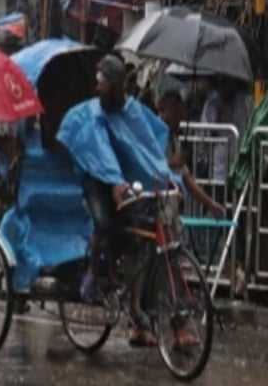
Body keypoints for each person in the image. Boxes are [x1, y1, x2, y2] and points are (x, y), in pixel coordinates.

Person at [57, 54, 186, 347]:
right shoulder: (92, 114)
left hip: (128, 183)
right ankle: (91, 272)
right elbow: (99, 151)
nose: (99, 88)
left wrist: (168, 179)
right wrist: (114, 180)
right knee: (105, 224)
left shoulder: (133, 112)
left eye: (104, 84)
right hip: (98, 180)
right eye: (98, 83)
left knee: (142, 243)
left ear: (117, 86)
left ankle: (139, 313)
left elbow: (149, 150)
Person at [156, 89, 225, 218]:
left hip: (170, 209)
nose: (180, 119)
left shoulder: (174, 141)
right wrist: (171, 162)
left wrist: (210, 204)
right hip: (154, 205)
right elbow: (147, 165)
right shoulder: (152, 135)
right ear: (163, 110)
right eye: (177, 113)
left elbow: (186, 178)